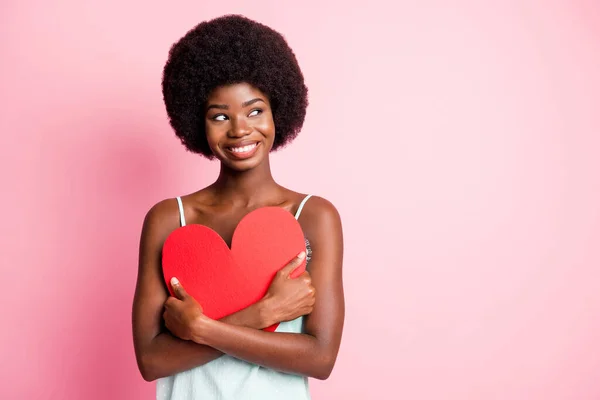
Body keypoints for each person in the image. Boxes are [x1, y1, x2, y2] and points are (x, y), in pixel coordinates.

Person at [132, 14, 345, 400]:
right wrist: (262, 315)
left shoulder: (314, 217)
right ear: (197, 121)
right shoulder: (170, 219)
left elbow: (320, 357)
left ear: (278, 110)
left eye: (254, 110)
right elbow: (151, 360)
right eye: (220, 116)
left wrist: (200, 327)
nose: (239, 129)